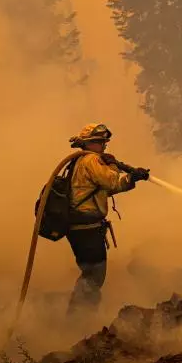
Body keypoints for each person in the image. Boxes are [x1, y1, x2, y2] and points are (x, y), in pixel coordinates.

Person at [64, 123, 149, 314]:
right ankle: (78, 318)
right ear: (91, 143)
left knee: (92, 273)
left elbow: (104, 189)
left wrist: (131, 178)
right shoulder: (91, 161)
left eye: (105, 142)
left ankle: (81, 315)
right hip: (86, 228)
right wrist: (128, 175)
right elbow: (112, 181)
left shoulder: (82, 161)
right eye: (101, 142)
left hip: (83, 228)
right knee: (94, 274)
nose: (104, 145)